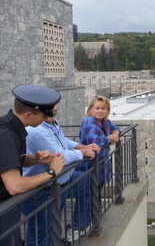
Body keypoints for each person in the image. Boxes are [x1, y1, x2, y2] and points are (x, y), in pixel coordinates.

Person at [21, 104, 101, 245]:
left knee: (87, 181)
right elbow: (60, 156)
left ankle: (78, 227)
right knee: (42, 232)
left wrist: (84, 147)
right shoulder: (37, 130)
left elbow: (64, 142)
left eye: (54, 105)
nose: (53, 110)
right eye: (49, 107)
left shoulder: (51, 122)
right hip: (42, 189)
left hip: (60, 182)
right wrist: (83, 152)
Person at [0, 84, 65, 246]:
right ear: (29, 114)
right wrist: (52, 172)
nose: (45, 120)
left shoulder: (10, 125)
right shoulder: (7, 135)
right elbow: (14, 186)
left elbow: (10, 159)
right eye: (43, 117)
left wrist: (36, 159)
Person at [76, 96, 120, 187]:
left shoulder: (104, 121)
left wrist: (115, 134)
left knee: (97, 195)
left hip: (100, 166)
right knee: (88, 196)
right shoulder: (89, 121)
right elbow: (96, 141)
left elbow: (116, 129)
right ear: (91, 109)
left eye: (103, 109)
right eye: (97, 108)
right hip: (89, 165)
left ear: (107, 110)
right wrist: (110, 138)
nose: (100, 111)